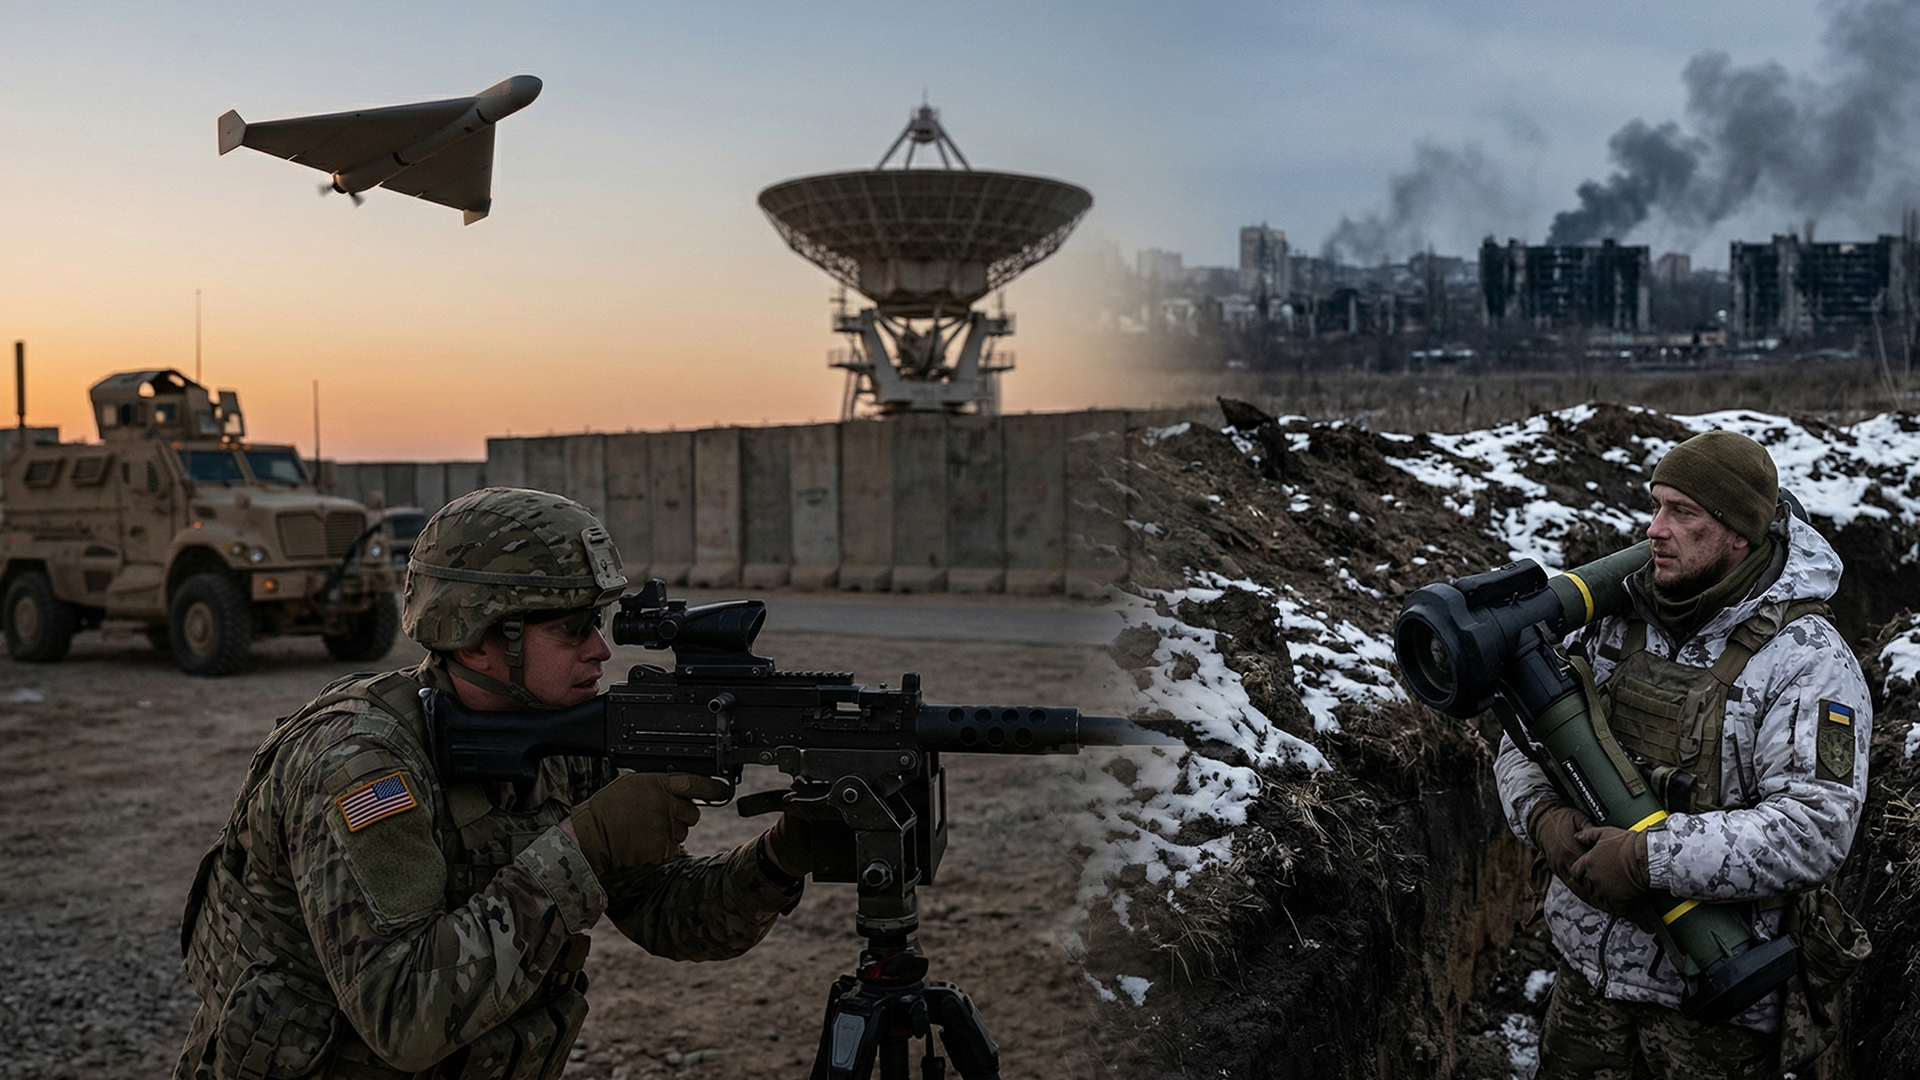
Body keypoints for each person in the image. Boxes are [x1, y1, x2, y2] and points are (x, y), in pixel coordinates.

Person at [174, 487, 812, 1080]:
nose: (601, 649)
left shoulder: (561, 734)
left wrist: (782, 856)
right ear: (479, 639)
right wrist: (582, 846)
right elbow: (403, 1016)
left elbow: (662, 913)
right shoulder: (360, 762)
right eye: (572, 626)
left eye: (599, 622)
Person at [1495, 430, 1871, 1080]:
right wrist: (1543, 821)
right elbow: (1524, 742)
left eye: (1683, 513)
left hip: (1717, 1012)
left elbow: (1814, 830)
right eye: (1656, 505)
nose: (1654, 531)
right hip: (1588, 982)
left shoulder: (1809, 662)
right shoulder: (1615, 623)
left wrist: (1647, 859)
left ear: (1738, 533)